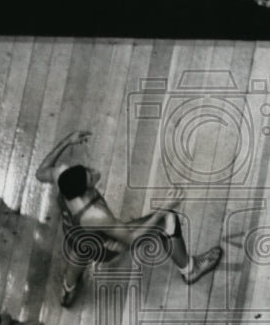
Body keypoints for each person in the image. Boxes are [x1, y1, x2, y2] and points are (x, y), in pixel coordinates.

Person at [35, 130, 223, 307]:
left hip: (74, 235)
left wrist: (67, 141)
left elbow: (40, 172)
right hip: (104, 246)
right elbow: (133, 239)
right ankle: (190, 270)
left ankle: (68, 290)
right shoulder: (95, 216)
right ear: (84, 191)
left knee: (80, 252)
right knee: (168, 221)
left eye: (87, 169)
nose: (94, 173)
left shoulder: (61, 175)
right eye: (90, 179)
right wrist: (164, 208)